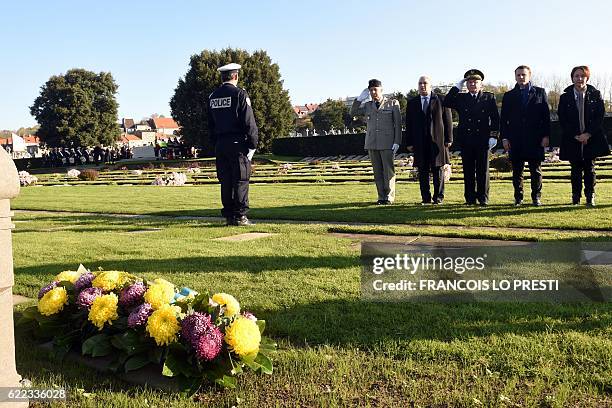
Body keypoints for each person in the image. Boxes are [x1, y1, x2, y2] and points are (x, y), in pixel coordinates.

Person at [207, 62, 258, 225]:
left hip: (221, 143)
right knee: (241, 179)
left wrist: (216, 143)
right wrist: (253, 144)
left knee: (226, 181)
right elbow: (249, 122)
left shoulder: (213, 97)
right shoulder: (239, 94)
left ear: (222, 77)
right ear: (235, 76)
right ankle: (240, 216)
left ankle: (229, 215)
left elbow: (210, 125)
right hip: (237, 143)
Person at [444, 69, 500, 206]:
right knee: (468, 171)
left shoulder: (488, 97)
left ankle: (483, 198)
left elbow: (495, 118)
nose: (473, 84)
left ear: (481, 84)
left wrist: (494, 136)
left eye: (475, 82)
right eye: (469, 82)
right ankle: (469, 199)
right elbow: (447, 101)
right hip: (467, 139)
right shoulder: (462, 98)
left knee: (483, 170)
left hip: (482, 139)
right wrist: (457, 86)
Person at [558, 65, 610, 206]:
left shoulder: (596, 94)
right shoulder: (565, 97)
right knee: (575, 170)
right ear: (572, 78)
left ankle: (590, 196)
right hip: (573, 139)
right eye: (576, 76)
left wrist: (587, 134)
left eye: (582, 75)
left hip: (591, 139)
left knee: (589, 169)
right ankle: (575, 197)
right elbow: (563, 119)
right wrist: (576, 135)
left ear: (587, 77)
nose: (579, 78)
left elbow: (599, 117)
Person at [500, 65, 551, 206]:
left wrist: (546, 136)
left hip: (535, 139)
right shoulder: (509, 95)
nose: (521, 77)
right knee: (517, 172)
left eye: (524, 74)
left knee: (536, 171)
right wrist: (504, 138)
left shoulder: (540, 92)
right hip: (515, 139)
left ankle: (536, 197)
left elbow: (545, 117)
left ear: (529, 75)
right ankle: (518, 198)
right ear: (515, 76)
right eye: (518, 75)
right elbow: (503, 119)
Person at [350, 79, 402, 204]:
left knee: (388, 171)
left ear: (381, 90)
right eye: (371, 90)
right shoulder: (368, 105)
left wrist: (397, 141)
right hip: (372, 142)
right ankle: (381, 197)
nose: (373, 92)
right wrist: (358, 99)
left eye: (375, 89)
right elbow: (352, 112)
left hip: (388, 142)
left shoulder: (392, 103)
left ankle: (389, 197)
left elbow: (398, 125)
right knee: (377, 171)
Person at [405, 76, 453, 204]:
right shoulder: (412, 103)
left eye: (425, 83)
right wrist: (409, 142)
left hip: (438, 142)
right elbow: (408, 124)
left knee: (438, 171)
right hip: (420, 143)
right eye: (420, 83)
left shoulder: (441, 100)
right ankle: (425, 198)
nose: (422, 85)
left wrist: (449, 138)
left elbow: (448, 121)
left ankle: (438, 197)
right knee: (423, 171)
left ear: (430, 85)